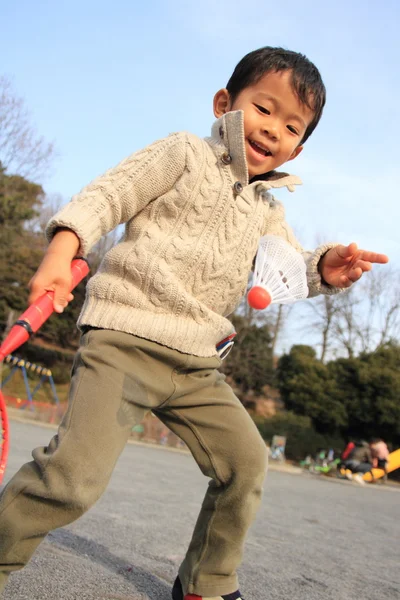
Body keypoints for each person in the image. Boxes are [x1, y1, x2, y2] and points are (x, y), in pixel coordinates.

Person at [0, 47, 389, 600]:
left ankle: (205, 583)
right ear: (225, 103)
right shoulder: (183, 153)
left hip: (197, 364)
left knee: (248, 464)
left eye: (291, 125)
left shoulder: (268, 210)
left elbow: (289, 269)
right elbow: (108, 196)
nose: (272, 129)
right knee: (72, 479)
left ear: (299, 147)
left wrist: (324, 267)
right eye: (263, 108)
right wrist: (63, 249)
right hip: (126, 340)